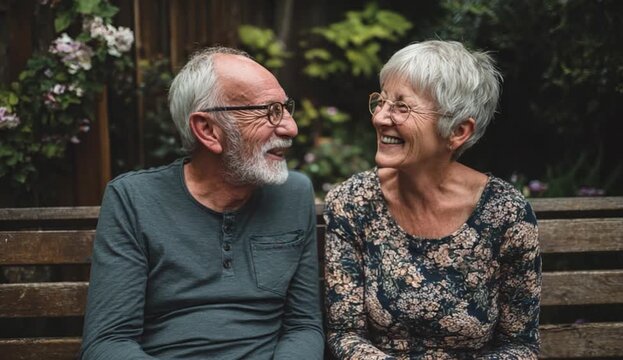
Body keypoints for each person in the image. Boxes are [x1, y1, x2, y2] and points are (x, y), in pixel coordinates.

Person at [81, 47, 324, 359]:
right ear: (208, 130)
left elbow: (302, 325)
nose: (291, 127)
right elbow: (108, 343)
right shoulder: (133, 200)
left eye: (285, 108)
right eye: (269, 111)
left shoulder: (293, 193)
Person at [323, 40, 541, 359]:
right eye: (381, 102)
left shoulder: (506, 214)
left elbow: (520, 345)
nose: (381, 118)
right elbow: (345, 333)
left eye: (401, 106)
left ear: (458, 131)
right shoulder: (353, 202)